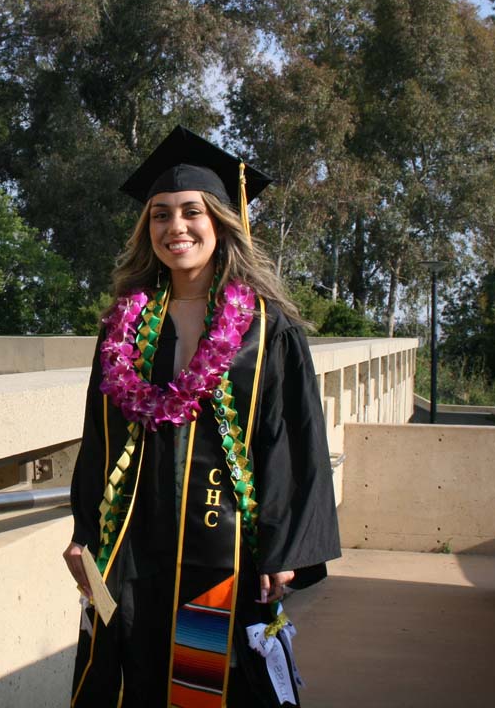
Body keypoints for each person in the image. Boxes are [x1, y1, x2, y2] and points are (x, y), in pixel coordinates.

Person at [63, 126, 341, 707]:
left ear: (219, 221)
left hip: (221, 544)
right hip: (133, 540)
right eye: (160, 215)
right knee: (131, 667)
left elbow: (292, 441)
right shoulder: (125, 327)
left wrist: (284, 548)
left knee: (207, 678)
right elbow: (99, 439)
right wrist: (83, 532)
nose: (175, 228)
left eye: (191, 212)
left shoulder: (267, 330)